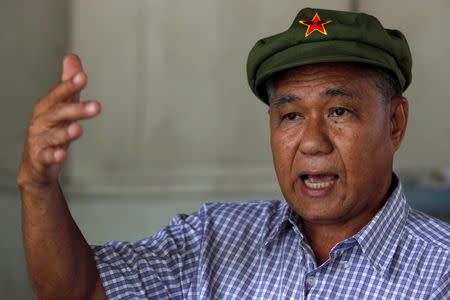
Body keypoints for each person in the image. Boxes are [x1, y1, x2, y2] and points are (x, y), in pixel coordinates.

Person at [18, 8, 448, 300]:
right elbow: (81, 290)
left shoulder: (440, 271)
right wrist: (39, 187)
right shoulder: (215, 238)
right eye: (291, 115)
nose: (313, 142)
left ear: (394, 123)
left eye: (339, 111)